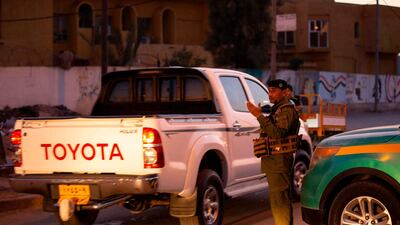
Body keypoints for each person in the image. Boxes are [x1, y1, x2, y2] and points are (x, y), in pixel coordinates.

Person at [246, 79, 300, 225]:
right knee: (278, 201)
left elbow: (277, 133)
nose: (270, 94)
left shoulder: (286, 110)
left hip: (279, 161)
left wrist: (259, 116)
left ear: (284, 92)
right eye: (269, 90)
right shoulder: (277, 108)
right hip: (274, 161)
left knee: (279, 202)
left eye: (274, 91)